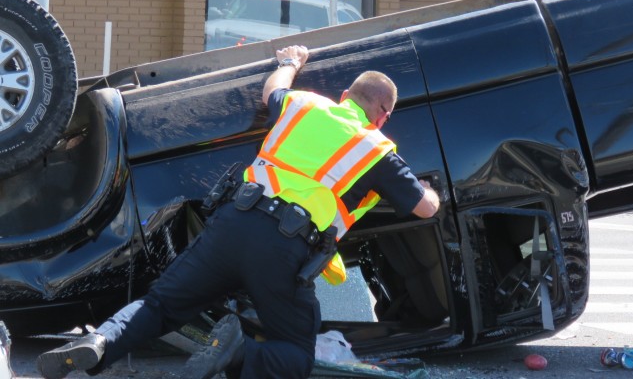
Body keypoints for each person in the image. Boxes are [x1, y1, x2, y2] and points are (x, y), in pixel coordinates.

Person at [36, 45, 440, 379]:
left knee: (160, 305)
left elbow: (272, 91)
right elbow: (424, 209)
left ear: (347, 96)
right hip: (283, 250)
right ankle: (239, 356)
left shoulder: (304, 105)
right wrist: (428, 190)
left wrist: (289, 63)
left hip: (232, 222)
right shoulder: (377, 149)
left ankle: (99, 342)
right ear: (384, 113)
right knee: (297, 352)